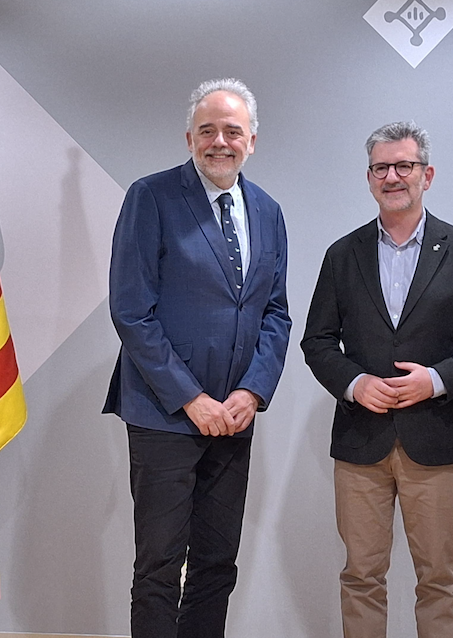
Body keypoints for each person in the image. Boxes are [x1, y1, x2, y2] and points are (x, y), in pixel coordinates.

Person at [302, 121, 453, 637]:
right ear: (369, 177)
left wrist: (436, 380)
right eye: (381, 168)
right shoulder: (342, 254)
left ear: (426, 175)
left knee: (438, 578)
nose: (392, 176)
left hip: (435, 439)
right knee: (360, 576)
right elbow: (317, 341)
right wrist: (355, 384)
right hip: (361, 441)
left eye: (404, 166)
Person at [103, 78, 291, 638]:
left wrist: (251, 392)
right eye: (207, 131)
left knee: (216, 562)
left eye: (232, 131)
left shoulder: (268, 211)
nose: (219, 142)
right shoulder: (151, 197)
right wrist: (192, 399)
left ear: (252, 141)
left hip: (233, 417)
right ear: (189, 138)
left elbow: (275, 313)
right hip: (164, 415)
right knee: (159, 565)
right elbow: (131, 310)